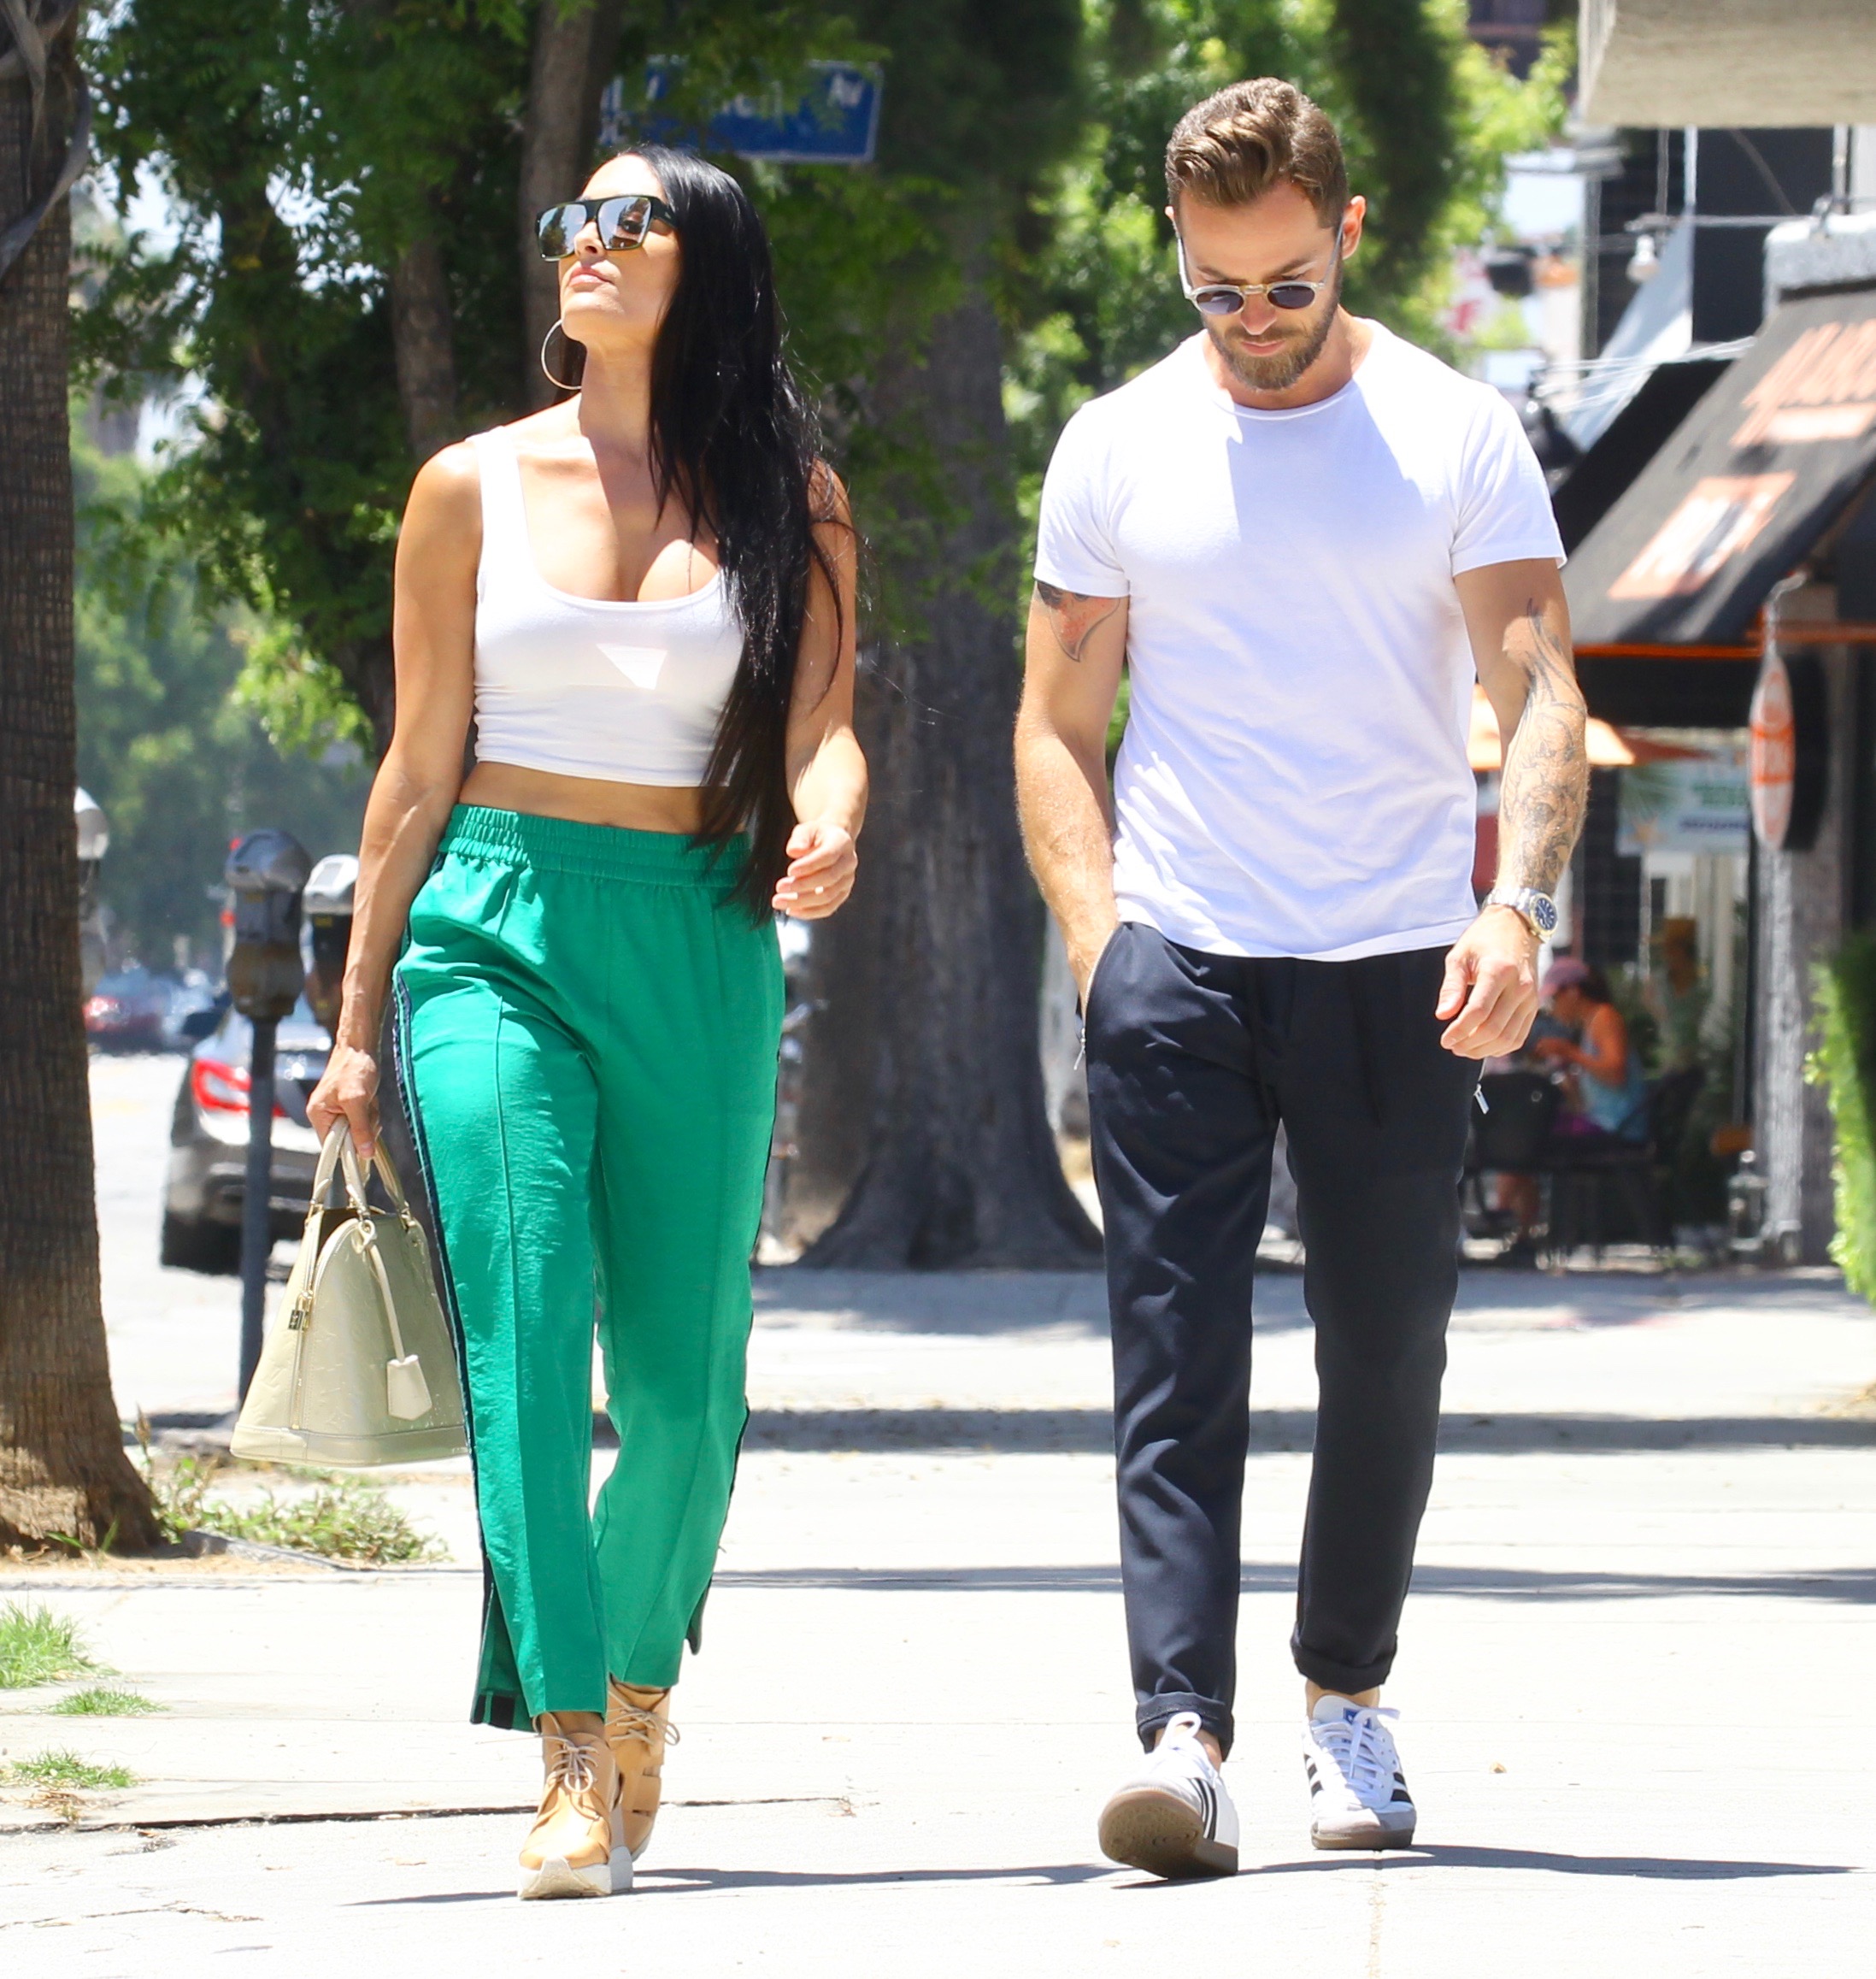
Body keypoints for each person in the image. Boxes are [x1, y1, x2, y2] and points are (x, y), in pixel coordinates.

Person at [1014, 78, 1586, 1878]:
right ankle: (1178, 1735)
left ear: (1342, 235)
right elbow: (1049, 725)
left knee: (1386, 1351)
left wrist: (1517, 911)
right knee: (1168, 1352)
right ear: (1174, 259)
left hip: (1396, 959)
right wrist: (1103, 945)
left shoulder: (1452, 433)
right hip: (1178, 950)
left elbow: (1540, 694)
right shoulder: (1114, 443)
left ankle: (1345, 1687)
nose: (1247, 325)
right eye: (1210, 291)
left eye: (1278, 286)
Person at [307, 145, 866, 1901]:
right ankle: (561, 1750)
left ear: (707, 263)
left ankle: (637, 1690)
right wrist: (347, 1022)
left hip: (695, 934)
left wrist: (835, 812)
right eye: (576, 218)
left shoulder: (792, 495)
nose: (590, 243)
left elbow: (819, 731)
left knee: (690, 1387)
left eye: (634, 220)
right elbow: (412, 765)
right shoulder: (466, 485)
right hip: (488, 929)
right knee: (527, 1326)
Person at [1533, 958, 1649, 1139]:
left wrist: (1569, 1052)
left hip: (1617, 1127)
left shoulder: (1604, 1017)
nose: (1553, 1009)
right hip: (1603, 1122)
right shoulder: (1590, 1023)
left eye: (1555, 999)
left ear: (1573, 992)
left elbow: (1615, 1074)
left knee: (1536, 1133)